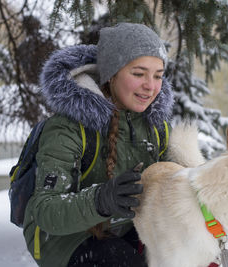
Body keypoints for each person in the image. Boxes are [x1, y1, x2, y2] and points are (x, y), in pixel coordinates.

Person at [22, 23, 174, 267]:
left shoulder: (157, 127)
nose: (150, 85)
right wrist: (102, 200)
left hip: (124, 225)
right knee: (119, 261)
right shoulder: (68, 127)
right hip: (62, 237)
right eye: (138, 73)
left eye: (158, 75)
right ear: (111, 74)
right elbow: (46, 210)